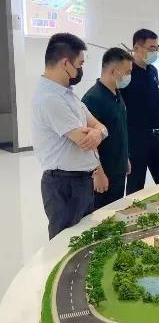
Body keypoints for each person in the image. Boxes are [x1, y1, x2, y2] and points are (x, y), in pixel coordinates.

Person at [31, 33, 109, 239]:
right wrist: (97, 133)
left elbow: (100, 127)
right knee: (65, 242)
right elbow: (84, 140)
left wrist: (98, 132)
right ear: (65, 63)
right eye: (80, 64)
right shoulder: (50, 98)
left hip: (80, 180)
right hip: (64, 184)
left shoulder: (68, 94)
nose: (81, 70)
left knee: (82, 239)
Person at [120, 29, 159, 194]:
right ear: (136, 48)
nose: (155, 52)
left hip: (157, 135)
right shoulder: (126, 73)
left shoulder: (153, 71)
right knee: (136, 187)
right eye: (151, 48)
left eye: (157, 48)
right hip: (136, 138)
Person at [82, 47, 133, 209]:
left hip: (118, 169)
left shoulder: (117, 94)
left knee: (115, 212)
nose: (129, 76)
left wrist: (125, 158)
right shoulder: (93, 98)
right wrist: (98, 172)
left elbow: (119, 129)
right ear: (113, 71)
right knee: (101, 216)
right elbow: (87, 142)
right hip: (104, 173)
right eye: (127, 72)